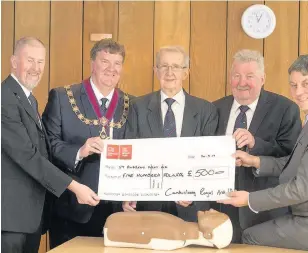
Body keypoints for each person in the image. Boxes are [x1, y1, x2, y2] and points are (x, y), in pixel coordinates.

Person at [1, 37, 100, 253]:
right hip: (10, 221)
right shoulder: (4, 98)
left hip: (29, 218)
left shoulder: (28, 99)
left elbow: (43, 153)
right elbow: (28, 156)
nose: (36, 68)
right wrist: (74, 187)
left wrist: (80, 152)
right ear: (13, 61)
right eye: (30, 60)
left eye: (40, 62)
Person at [220, 55, 308, 252]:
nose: (299, 92)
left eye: (306, 84)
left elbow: (300, 189)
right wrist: (255, 161)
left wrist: (250, 199)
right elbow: (293, 163)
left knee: (250, 236)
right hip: (304, 214)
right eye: (293, 85)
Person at [42, 39, 133, 248]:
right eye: (105, 61)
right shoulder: (63, 97)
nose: (111, 69)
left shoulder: (132, 104)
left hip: (118, 212)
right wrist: (79, 152)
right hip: (72, 208)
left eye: (117, 63)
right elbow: (48, 145)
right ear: (92, 63)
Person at [211, 49, 302, 242]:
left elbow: (291, 160)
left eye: (249, 76)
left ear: (262, 78)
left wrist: (255, 144)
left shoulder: (286, 109)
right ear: (230, 79)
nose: (242, 82)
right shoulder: (214, 109)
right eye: (237, 75)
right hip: (220, 210)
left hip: (265, 213)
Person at [123, 46, 218, 222]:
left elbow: (209, 159)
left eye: (176, 66)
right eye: (164, 66)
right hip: (149, 205)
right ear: (155, 71)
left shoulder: (206, 110)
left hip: (191, 207)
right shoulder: (138, 107)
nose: (169, 72)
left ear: (186, 73)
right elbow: (132, 153)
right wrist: (129, 192)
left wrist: (192, 193)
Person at [104, 209, 232, 250]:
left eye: (216, 216)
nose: (212, 210)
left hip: (114, 227)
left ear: (208, 234)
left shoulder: (175, 236)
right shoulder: (177, 230)